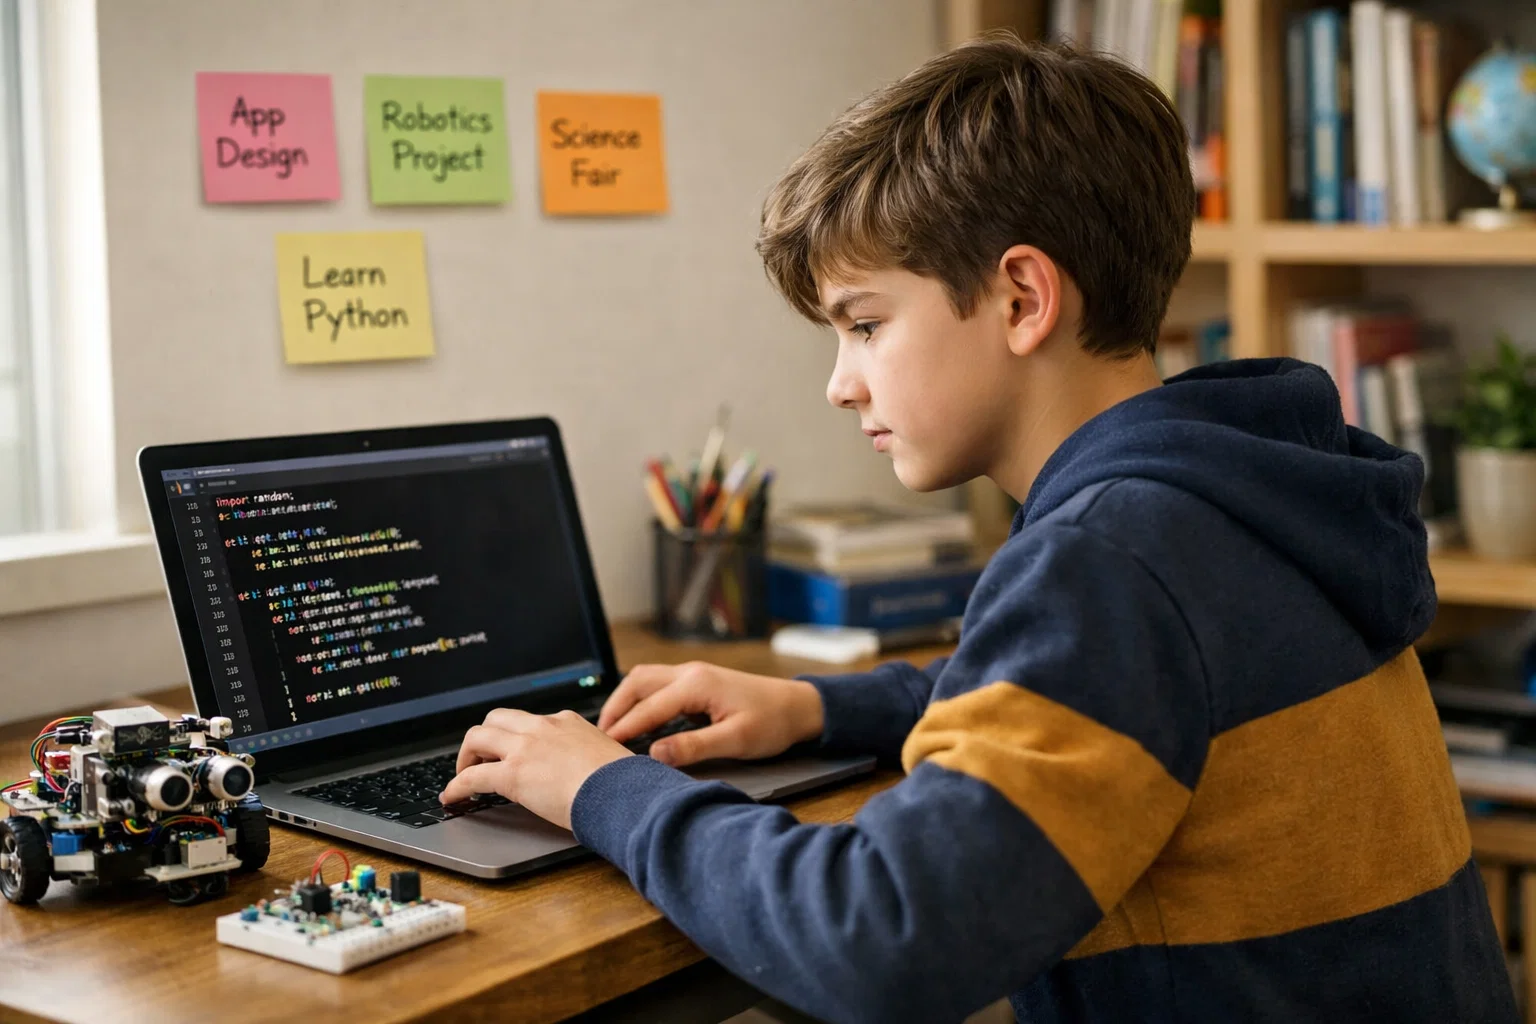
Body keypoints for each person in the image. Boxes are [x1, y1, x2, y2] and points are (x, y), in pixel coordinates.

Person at [438, 35, 1514, 1023]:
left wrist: (602, 787)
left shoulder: (1111, 558)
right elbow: (1126, 698)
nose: (839, 385)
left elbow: (885, 936)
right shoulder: (1235, 490)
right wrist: (817, 704)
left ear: (1022, 298)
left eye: (864, 325)